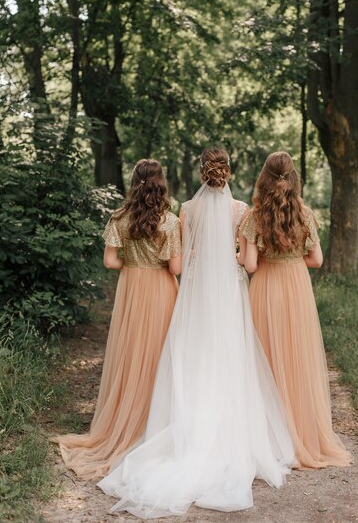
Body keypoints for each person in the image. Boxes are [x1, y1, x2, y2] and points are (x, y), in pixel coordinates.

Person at [97, 147, 295, 518]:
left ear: (203, 173)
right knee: (229, 354)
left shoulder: (186, 210)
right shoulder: (241, 211)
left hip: (197, 290)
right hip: (229, 290)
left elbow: (182, 260)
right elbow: (246, 261)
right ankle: (229, 429)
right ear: (227, 172)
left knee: (195, 354)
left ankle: (189, 421)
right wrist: (233, 258)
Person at [55, 159, 181, 480]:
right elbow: (175, 268)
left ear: (134, 181)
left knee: (131, 352)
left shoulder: (119, 217)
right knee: (160, 353)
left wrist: (132, 263)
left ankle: (126, 417)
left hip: (132, 288)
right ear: (160, 183)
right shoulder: (169, 221)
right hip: (161, 289)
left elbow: (110, 261)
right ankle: (157, 422)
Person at [239, 150, 351, 469]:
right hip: (296, 287)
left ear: (264, 177)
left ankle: (268, 437)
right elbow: (316, 260)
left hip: (265, 287)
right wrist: (291, 261)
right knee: (296, 358)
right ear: (293, 177)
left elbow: (249, 264)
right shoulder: (305, 212)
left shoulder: (255, 216)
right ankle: (301, 432)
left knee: (265, 360)